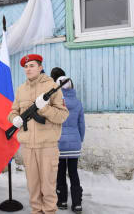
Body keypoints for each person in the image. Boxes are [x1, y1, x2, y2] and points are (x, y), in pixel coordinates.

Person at [8, 54, 69, 214]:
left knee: (48, 186)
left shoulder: (51, 86)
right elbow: (13, 111)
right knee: (33, 186)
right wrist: (15, 119)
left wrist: (44, 108)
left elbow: (62, 116)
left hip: (47, 146)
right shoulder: (21, 89)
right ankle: (36, 211)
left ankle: (49, 211)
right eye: (26, 67)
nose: (28, 69)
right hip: (28, 145)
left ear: (40, 67)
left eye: (32, 65)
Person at [50, 68, 85, 213]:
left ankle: (62, 201)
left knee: (60, 174)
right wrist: (79, 140)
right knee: (73, 173)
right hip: (74, 144)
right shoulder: (77, 103)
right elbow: (81, 124)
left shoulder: (56, 103)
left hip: (59, 143)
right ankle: (77, 204)